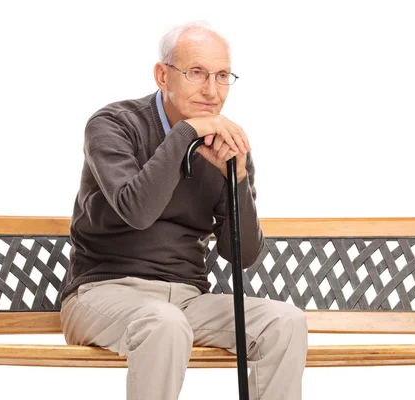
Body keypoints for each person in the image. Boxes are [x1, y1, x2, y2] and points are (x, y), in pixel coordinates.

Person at [59, 21, 308, 400]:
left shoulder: (226, 145)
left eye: (222, 75)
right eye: (196, 73)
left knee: (284, 321)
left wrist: (237, 177)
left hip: (188, 299)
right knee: (163, 323)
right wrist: (185, 134)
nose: (211, 90)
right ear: (163, 75)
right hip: (101, 293)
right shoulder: (113, 125)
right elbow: (137, 210)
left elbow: (241, 255)